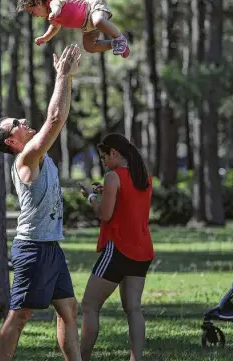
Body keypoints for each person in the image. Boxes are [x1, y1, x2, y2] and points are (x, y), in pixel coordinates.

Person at [0, 44, 82, 361]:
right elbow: (54, 118)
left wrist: (66, 79)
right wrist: (61, 77)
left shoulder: (37, 153)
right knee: (20, 315)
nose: (24, 120)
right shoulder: (26, 157)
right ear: (12, 142)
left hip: (51, 246)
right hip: (33, 248)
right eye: (16, 123)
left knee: (68, 309)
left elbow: (60, 118)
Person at [78, 133, 155, 361]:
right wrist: (106, 191)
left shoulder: (113, 176)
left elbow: (105, 214)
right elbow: (129, 201)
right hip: (142, 250)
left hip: (119, 250)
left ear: (114, 153)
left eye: (104, 158)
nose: (103, 162)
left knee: (89, 305)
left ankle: (81, 358)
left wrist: (91, 197)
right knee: (133, 308)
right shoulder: (143, 176)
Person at [16, 0, 130, 58]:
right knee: (89, 47)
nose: (33, 15)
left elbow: (57, 6)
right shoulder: (51, 17)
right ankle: (114, 44)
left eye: (32, 11)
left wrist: (54, 12)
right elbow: (55, 27)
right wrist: (45, 37)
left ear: (38, 2)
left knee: (98, 21)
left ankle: (119, 38)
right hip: (86, 26)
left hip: (91, 9)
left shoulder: (52, 1)